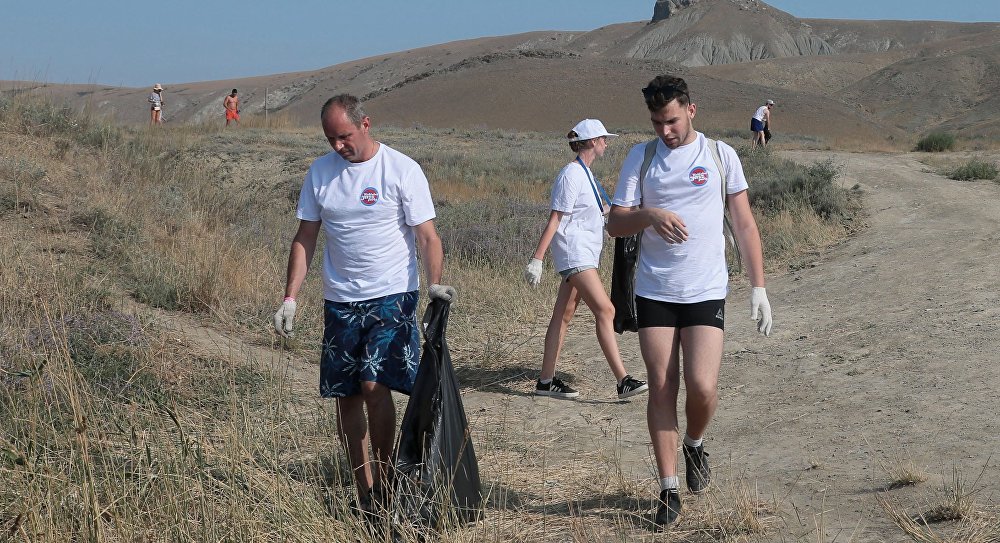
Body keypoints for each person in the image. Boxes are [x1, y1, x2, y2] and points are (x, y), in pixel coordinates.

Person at [272, 94, 456, 515]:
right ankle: (365, 492)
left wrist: (435, 285)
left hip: (392, 295)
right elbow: (305, 237)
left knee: (375, 385)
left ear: (366, 124)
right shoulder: (321, 173)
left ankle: (390, 479)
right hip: (340, 301)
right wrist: (290, 298)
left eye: (345, 136)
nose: (338, 146)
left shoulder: (401, 169)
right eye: (330, 139)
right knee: (348, 396)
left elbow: (427, 235)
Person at [607, 75, 773, 529]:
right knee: (662, 387)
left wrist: (758, 286)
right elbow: (616, 224)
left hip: (705, 289)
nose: (665, 131)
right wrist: (650, 215)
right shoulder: (640, 159)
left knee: (701, 387)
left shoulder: (721, 155)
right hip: (655, 289)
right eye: (657, 123)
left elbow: (743, 224)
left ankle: (695, 443)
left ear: (691, 110)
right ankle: (668, 488)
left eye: (672, 121)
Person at [524, 119, 649, 401]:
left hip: (585, 254)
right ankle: (623, 381)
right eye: (603, 138)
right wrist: (538, 258)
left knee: (564, 315)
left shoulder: (586, 175)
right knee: (606, 310)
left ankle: (546, 381)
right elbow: (556, 218)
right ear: (592, 141)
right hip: (575, 253)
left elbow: (603, 211)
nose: (606, 142)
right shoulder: (571, 175)